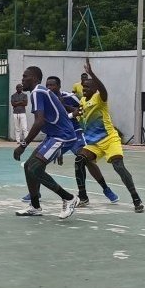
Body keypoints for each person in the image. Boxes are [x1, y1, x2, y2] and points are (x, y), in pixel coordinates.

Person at [24, 77, 120, 207]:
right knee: (39, 161)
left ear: (59, 86)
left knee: (85, 159)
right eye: (47, 85)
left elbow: (81, 110)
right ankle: (35, 192)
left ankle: (105, 189)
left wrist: (69, 110)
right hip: (58, 136)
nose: (49, 87)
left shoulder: (69, 96)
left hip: (74, 132)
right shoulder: (46, 98)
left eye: (52, 85)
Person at [13, 66, 80, 219]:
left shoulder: (37, 92)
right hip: (54, 136)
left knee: (35, 168)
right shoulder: (39, 92)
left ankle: (69, 198)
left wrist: (23, 145)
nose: (22, 80)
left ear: (35, 78)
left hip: (62, 136)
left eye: (25, 77)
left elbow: (39, 122)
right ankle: (35, 207)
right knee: (29, 166)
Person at [79, 58, 145, 212]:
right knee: (80, 159)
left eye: (88, 87)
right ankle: (83, 196)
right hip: (94, 143)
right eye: (83, 87)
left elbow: (103, 89)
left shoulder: (100, 98)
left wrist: (92, 74)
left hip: (110, 139)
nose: (84, 89)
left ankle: (136, 199)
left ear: (95, 89)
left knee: (119, 167)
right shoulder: (82, 101)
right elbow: (79, 117)